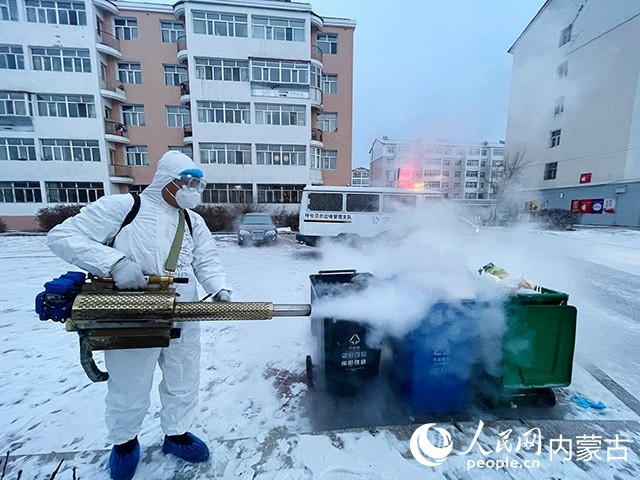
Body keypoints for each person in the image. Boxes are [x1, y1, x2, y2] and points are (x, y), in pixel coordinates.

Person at [47, 151, 231, 480]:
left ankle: (177, 434)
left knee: (183, 377)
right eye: (188, 183)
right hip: (134, 313)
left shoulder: (193, 221)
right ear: (167, 181)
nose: (193, 191)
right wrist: (115, 263)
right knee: (130, 382)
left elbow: (206, 260)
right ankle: (125, 443)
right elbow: (61, 237)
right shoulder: (124, 207)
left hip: (184, 314)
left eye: (198, 185)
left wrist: (219, 288)